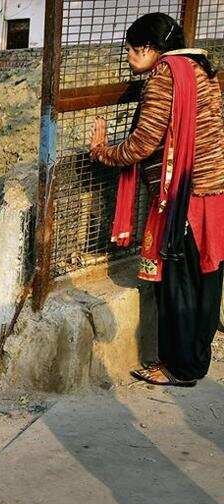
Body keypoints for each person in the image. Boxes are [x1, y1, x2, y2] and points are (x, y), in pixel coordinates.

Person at [89, 12, 224, 387]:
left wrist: (101, 150)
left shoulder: (166, 76)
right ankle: (195, 361)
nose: (131, 59)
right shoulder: (202, 69)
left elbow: (142, 144)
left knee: (177, 282)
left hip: (184, 195)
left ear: (150, 48)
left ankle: (178, 369)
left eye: (132, 51)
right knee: (206, 279)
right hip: (213, 188)